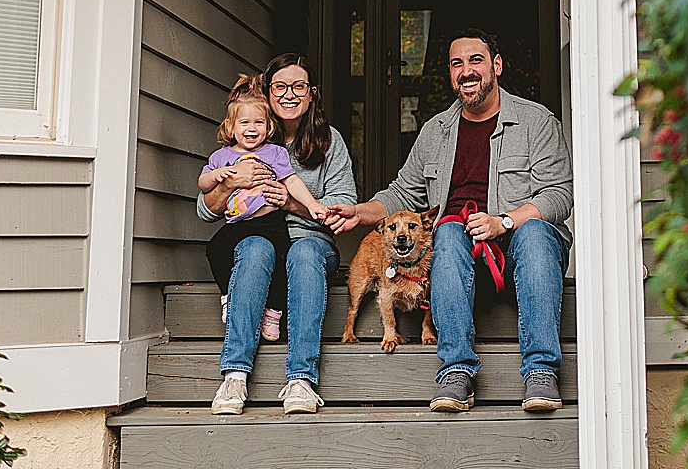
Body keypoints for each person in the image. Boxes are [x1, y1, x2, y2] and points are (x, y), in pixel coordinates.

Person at [325, 29, 572, 414]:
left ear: (497, 66)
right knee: (448, 232)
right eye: (457, 63)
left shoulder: (536, 122)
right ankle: (456, 370)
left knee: (537, 233)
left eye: (476, 60)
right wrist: (360, 211)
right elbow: (402, 194)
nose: (466, 71)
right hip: (458, 257)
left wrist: (504, 222)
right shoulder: (436, 131)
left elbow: (559, 195)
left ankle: (540, 371)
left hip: (520, 249)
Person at [198, 54, 358, 416]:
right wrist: (231, 183)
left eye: (299, 86)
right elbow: (206, 210)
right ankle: (234, 375)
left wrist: (291, 203)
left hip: (309, 241)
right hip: (257, 239)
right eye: (280, 86)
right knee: (255, 249)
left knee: (302, 253)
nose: (289, 94)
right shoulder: (247, 138)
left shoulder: (328, 141)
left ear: (312, 93)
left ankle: (301, 379)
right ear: (267, 92)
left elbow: (344, 204)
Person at [200, 75, 328, 356]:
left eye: (258, 122)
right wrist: (219, 177)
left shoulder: (274, 153)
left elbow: (292, 181)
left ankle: (274, 312)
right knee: (215, 249)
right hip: (239, 222)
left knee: (282, 261)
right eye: (244, 123)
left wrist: (312, 204)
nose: (251, 128)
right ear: (231, 127)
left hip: (270, 220)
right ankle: (229, 297)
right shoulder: (221, 157)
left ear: (269, 126)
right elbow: (203, 183)